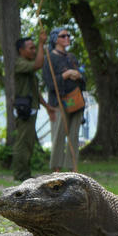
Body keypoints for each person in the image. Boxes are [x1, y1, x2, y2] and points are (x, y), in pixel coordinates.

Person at [42, 28, 85, 172]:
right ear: (55, 39)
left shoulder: (72, 57)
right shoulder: (49, 57)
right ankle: (57, 171)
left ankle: (73, 169)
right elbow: (49, 82)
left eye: (68, 35)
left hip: (76, 100)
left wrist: (78, 76)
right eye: (63, 36)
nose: (67, 38)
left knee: (74, 135)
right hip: (59, 101)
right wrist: (66, 75)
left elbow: (82, 77)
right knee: (59, 135)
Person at [12, 29, 47, 181]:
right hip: (24, 110)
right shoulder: (20, 63)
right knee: (23, 144)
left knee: (28, 143)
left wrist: (47, 106)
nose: (34, 50)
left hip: (31, 108)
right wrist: (41, 43)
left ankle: (25, 174)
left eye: (34, 48)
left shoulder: (26, 65)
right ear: (21, 50)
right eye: (31, 48)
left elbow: (35, 91)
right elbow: (39, 64)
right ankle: (20, 175)